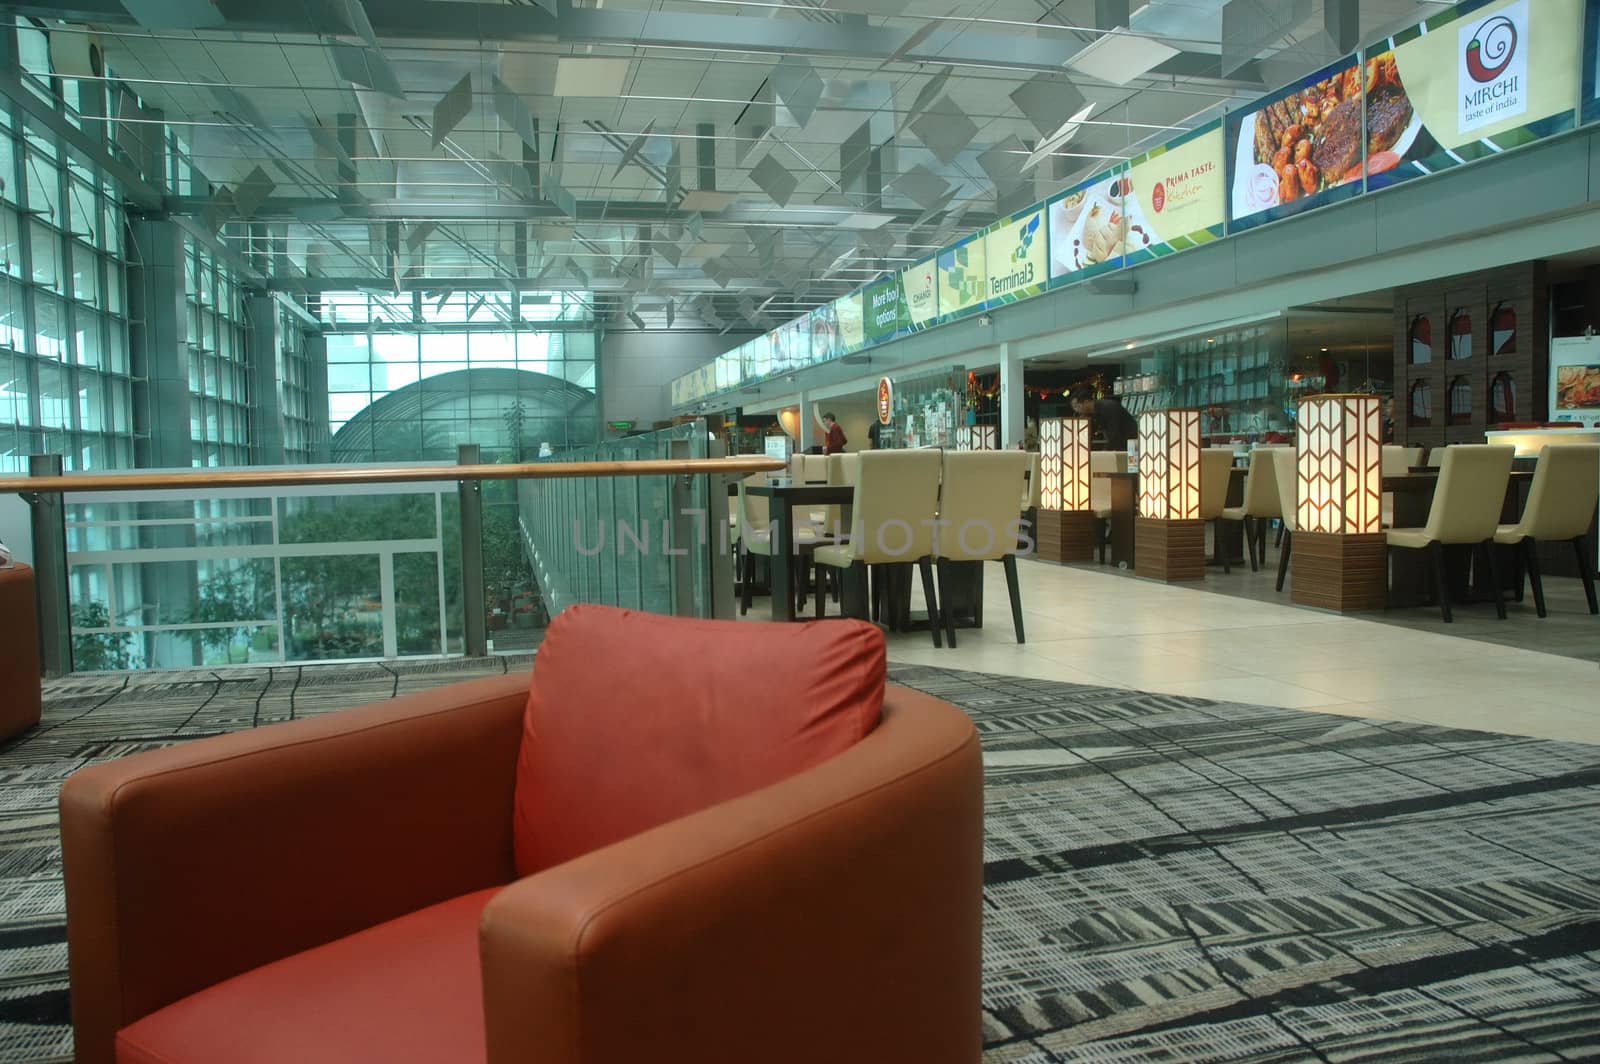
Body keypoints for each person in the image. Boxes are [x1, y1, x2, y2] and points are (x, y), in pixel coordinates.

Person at [1069, 386, 1138, 452]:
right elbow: (1090, 433)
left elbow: (1114, 432)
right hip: (1119, 444)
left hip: (1131, 441)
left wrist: (1105, 451)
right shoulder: (1091, 414)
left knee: (1131, 462)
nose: (1076, 410)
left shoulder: (1108, 408)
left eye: (1076, 406)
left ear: (1086, 402)